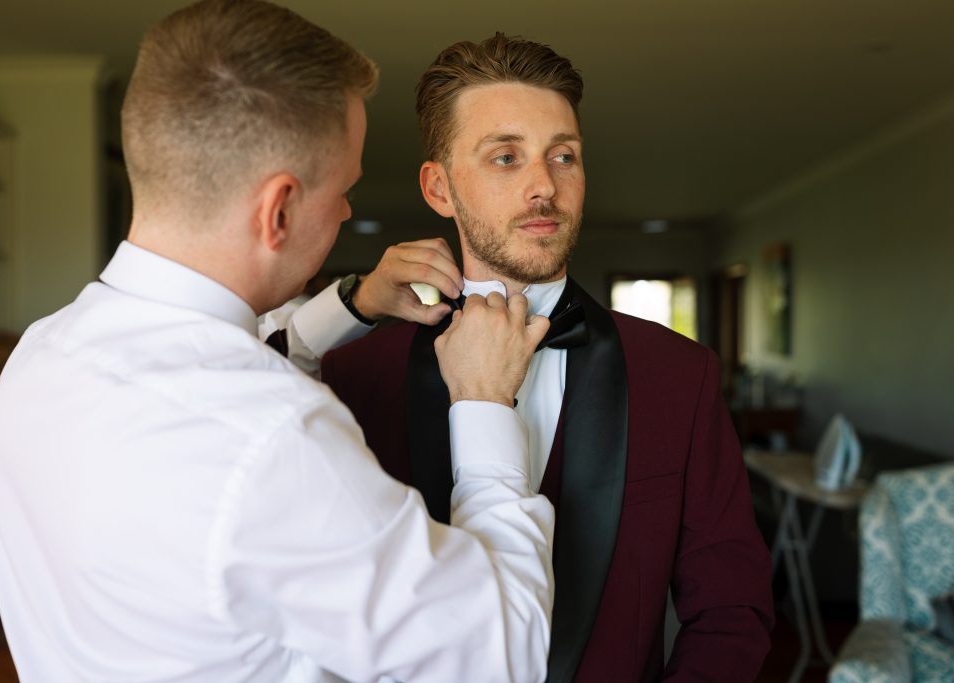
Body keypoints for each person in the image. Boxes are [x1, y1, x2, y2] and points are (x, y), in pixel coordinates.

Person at [0, 4, 556, 682]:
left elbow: (224, 364)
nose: (346, 212)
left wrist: (351, 304)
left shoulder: (43, 353)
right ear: (278, 209)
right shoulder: (275, 436)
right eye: (343, 189)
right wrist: (485, 404)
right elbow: (505, 652)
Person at [317, 34, 775, 682]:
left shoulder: (680, 376)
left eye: (564, 156)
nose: (544, 186)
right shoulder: (354, 381)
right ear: (439, 187)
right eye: (506, 157)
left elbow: (733, 611)